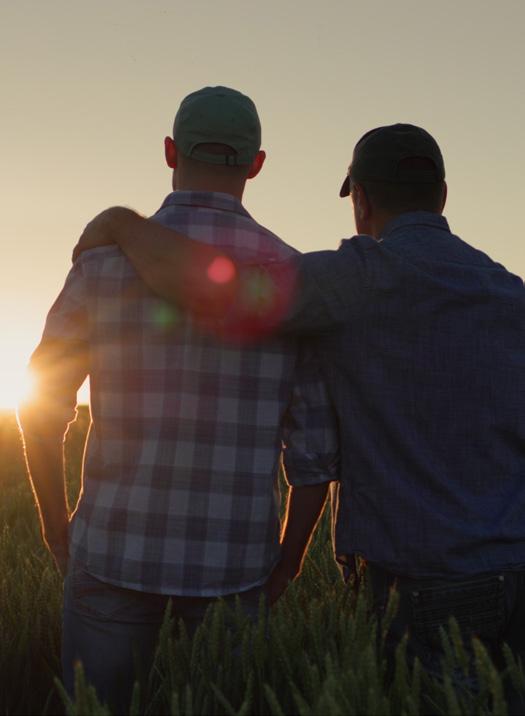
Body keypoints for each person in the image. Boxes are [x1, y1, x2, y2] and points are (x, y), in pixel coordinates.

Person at [74, 123, 525, 693]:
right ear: (442, 196)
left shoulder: (356, 278)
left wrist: (121, 223)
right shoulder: (511, 293)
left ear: (361, 201)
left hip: (422, 586)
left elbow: (211, 289)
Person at [19, 86, 338, 712]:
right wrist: (288, 563)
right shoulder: (290, 279)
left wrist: (57, 529)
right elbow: (314, 455)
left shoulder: (102, 265)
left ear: (170, 151)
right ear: (256, 164)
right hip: (237, 565)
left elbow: (42, 408)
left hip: (112, 549)